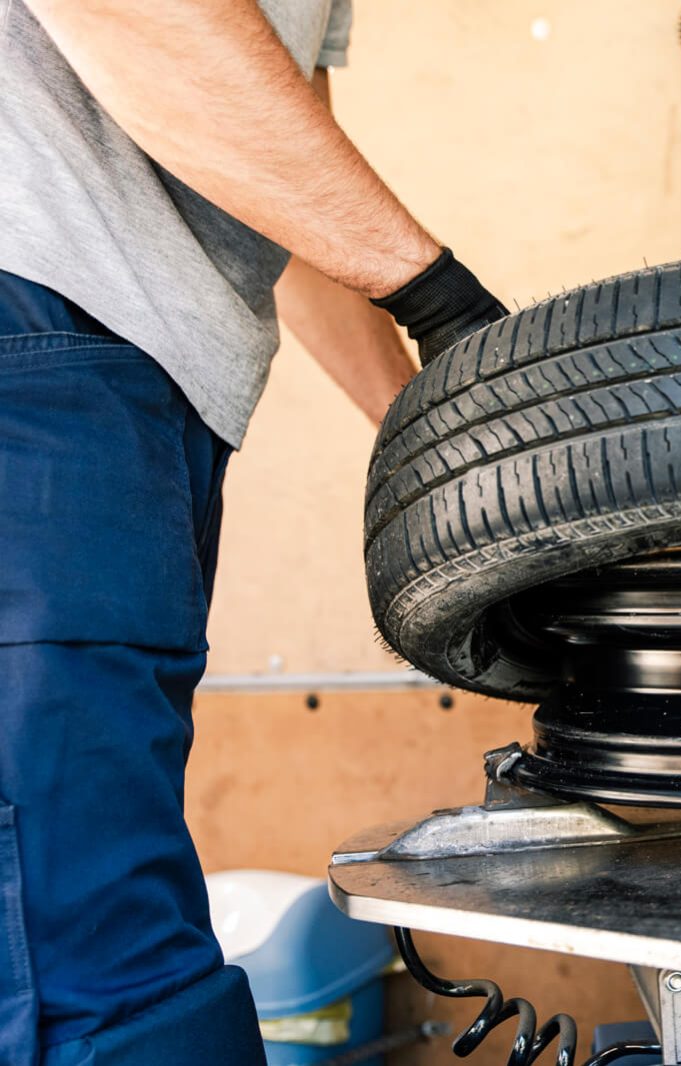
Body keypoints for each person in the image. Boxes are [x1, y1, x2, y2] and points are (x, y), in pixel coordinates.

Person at [0, 1, 508, 1061]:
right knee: (83, 961)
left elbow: (276, 163)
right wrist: (436, 290)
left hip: (137, 389)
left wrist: (434, 429)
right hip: (38, 351)